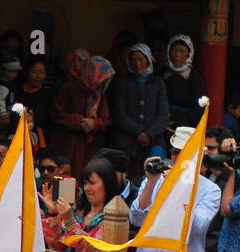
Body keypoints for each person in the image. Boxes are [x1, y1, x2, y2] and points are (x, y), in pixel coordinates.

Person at [44, 156, 121, 252]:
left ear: (108, 183)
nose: (87, 188)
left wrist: (69, 220)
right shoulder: (79, 212)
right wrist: (53, 214)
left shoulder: (112, 217)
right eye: (85, 183)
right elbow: (57, 245)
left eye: (92, 183)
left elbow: (93, 251)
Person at [50, 50, 114, 177]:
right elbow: (56, 112)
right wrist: (78, 121)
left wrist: (94, 123)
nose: (103, 82)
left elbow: (106, 119)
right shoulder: (70, 87)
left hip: (90, 147)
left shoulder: (100, 93)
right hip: (68, 143)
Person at [106, 44, 168, 172]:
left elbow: (163, 114)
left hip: (154, 140)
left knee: (158, 171)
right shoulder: (122, 82)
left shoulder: (158, 82)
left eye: (140, 59)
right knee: (124, 174)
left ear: (148, 59)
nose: (137, 64)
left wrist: (149, 134)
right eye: (133, 60)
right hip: (126, 141)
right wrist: (138, 131)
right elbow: (118, 113)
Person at [161, 35, 205, 130]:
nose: (177, 55)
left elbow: (199, 108)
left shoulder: (195, 79)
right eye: (174, 51)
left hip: (186, 127)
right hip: (161, 123)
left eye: (181, 51)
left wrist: (178, 122)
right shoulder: (160, 75)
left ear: (189, 54)